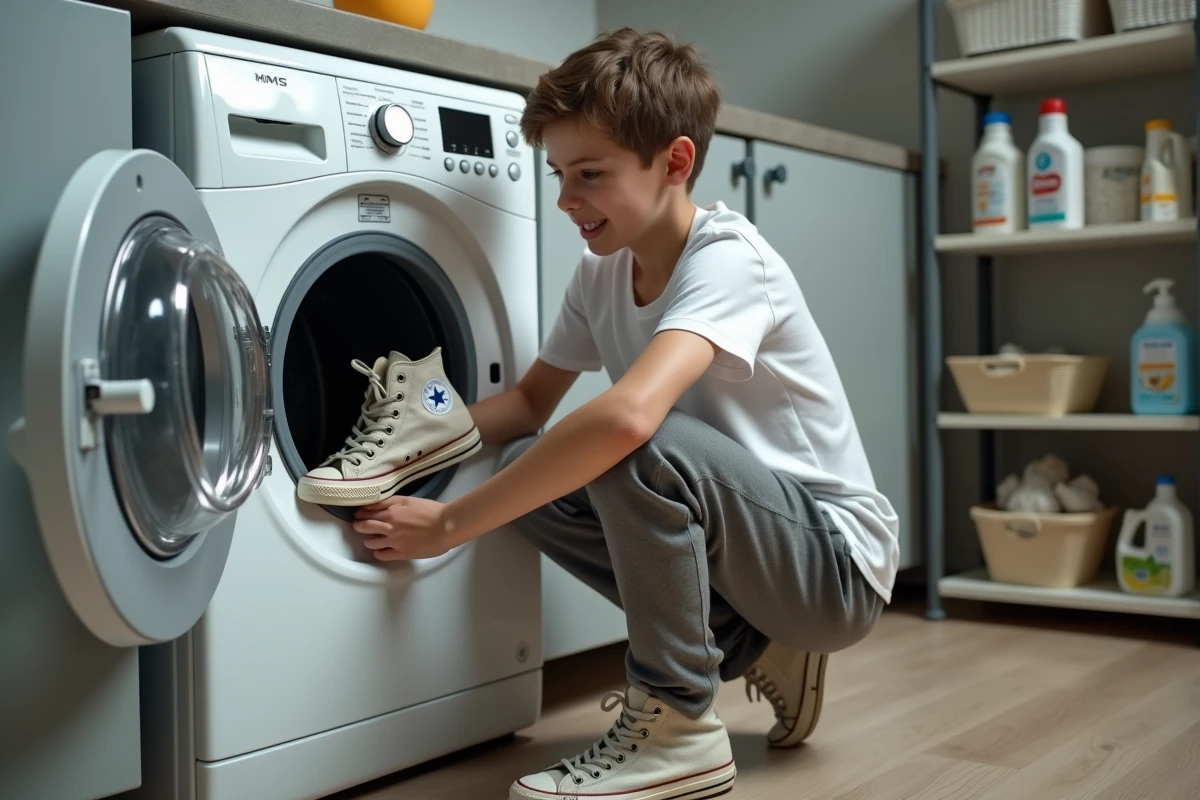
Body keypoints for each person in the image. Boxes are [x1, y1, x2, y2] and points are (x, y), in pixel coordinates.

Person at [350, 26, 899, 800]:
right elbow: (528, 404)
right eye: (558, 174)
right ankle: (752, 642)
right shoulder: (602, 271)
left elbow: (632, 420)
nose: (567, 199)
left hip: (833, 567)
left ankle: (680, 729)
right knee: (524, 473)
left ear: (675, 162)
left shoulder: (730, 260)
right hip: (753, 556)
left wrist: (445, 526)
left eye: (590, 174)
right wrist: (416, 434)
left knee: (633, 442)